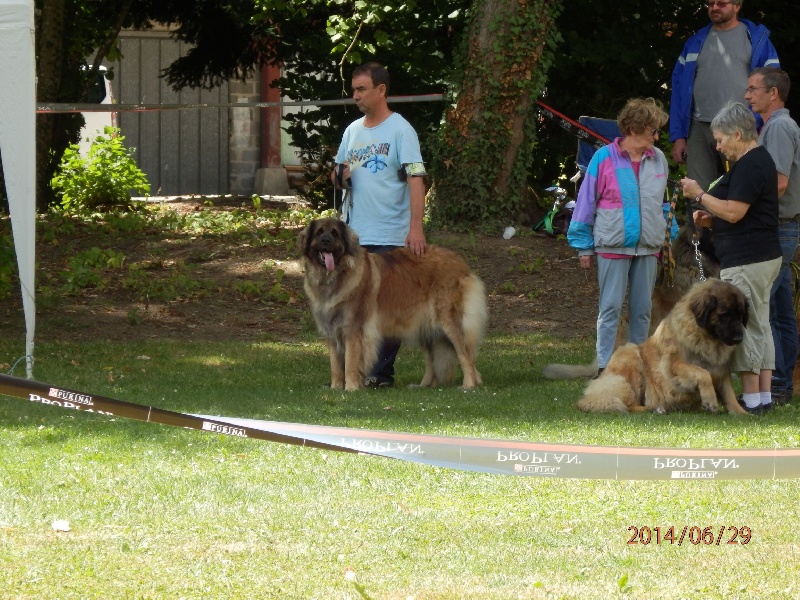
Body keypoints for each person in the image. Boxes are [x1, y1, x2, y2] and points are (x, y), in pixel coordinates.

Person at [681, 102, 782, 415]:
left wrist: (699, 194)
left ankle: (750, 399)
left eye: (720, 139)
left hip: (747, 259)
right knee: (760, 325)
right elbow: (746, 214)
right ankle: (763, 396)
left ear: (737, 134)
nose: (718, 146)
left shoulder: (750, 164)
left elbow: (736, 212)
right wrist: (712, 220)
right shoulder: (758, 161)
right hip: (762, 255)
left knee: (743, 326)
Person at [331, 61, 427, 388]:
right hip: (355, 234)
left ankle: (380, 373)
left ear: (381, 90)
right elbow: (338, 175)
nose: (355, 95)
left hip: (391, 232)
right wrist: (340, 177)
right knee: (355, 307)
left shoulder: (401, 130)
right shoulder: (353, 131)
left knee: (386, 306)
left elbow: (416, 178)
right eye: (353, 90)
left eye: (361, 89)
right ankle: (354, 371)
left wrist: (416, 227)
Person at [567, 97, 671, 378]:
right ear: (635, 128)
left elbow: (662, 204)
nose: (657, 137)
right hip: (612, 245)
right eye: (653, 130)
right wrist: (583, 246)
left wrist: (668, 236)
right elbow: (586, 203)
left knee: (642, 311)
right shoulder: (603, 158)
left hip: (648, 247)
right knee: (610, 309)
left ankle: (638, 366)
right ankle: (604, 367)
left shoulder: (659, 159)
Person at [670, 0, 780, 192]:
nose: (714, 7)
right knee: (696, 192)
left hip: (739, 128)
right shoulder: (696, 41)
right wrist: (679, 135)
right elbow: (679, 89)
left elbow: (773, 86)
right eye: (710, 3)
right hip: (699, 127)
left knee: (743, 189)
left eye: (721, 3)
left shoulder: (756, 39)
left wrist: (759, 124)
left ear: (737, 6)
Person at [745, 67, 800, 406]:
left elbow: (779, 183)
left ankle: (775, 385)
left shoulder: (778, 127)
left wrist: (743, 206)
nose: (747, 95)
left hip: (779, 226)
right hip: (783, 226)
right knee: (780, 309)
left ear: (773, 93)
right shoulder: (776, 126)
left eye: (753, 89)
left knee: (763, 307)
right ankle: (782, 383)